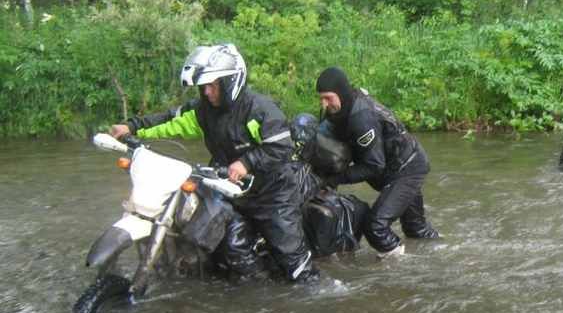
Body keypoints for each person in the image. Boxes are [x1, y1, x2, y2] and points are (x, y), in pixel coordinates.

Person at [109, 43, 319, 283]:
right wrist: (132, 126)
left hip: (273, 193)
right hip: (228, 189)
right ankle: (256, 286)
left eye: (212, 86)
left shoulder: (259, 110)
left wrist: (246, 162)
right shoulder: (203, 111)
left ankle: (310, 288)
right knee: (225, 245)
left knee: (294, 263)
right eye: (203, 87)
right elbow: (169, 120)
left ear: (230, 82)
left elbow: (281, 147)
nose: (207, 92)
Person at [315, 66, 438, 258]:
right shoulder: (338, 109)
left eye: (328, 98)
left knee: (375, 226)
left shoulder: (361, 118)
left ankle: (405, 268)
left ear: (341, 93)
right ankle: (441, 255)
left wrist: (335, 179)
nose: (324, 104)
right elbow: (321, 137)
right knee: (417, 230)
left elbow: (373, 166)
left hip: (407, 168)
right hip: (399, 165)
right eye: (321, 98)